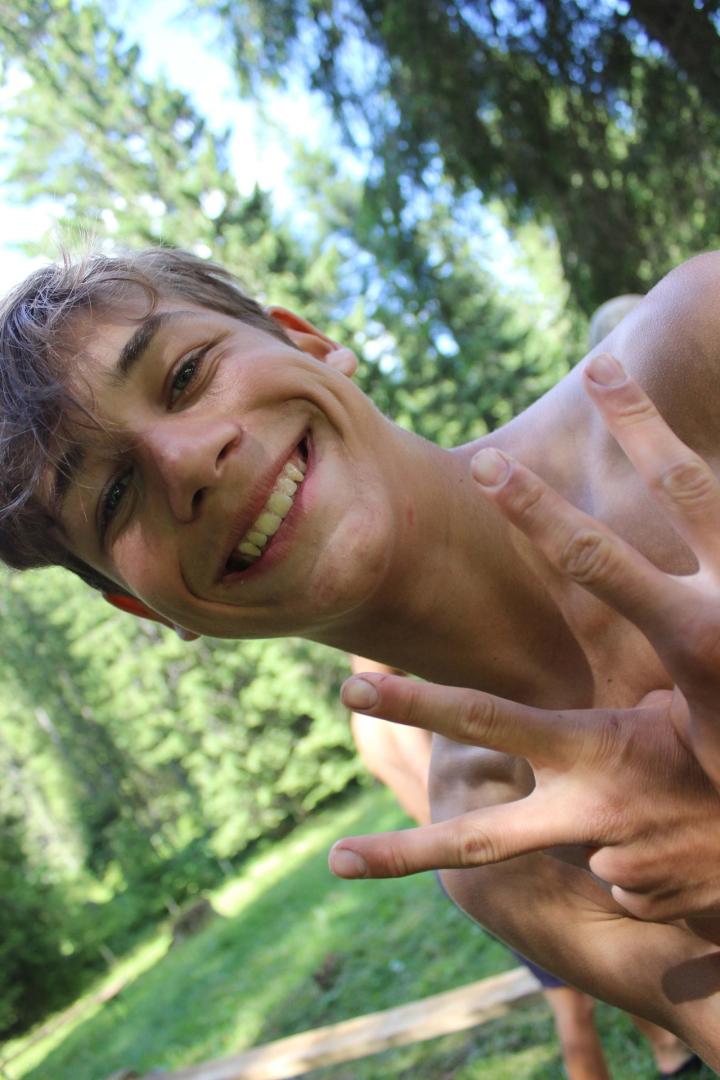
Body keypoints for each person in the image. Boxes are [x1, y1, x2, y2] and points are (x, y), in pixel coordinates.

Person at [2, 247, 720, 1065]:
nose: (186, 461)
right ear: (145, 607)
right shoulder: (502, 854)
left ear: (308, 344)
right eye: (114, 496)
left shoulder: (696, 356)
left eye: (187, 374)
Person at [350, 660, 701, 1080]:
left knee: (595, 980)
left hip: (460, 866)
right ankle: (666, 1051)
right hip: (495, 860)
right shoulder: (400, 713)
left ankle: (668, 1050)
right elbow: (448, 796)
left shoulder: (364, 726)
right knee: (577, 1002)